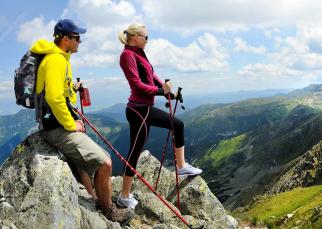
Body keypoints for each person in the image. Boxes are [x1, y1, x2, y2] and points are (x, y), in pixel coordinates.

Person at [33, 19, 133, 223]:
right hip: (58, 128)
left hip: (57, 124)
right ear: (66, 39)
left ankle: (95, 196)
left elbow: (59, 91)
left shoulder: (61, 58)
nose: (80, 41)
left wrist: (73, 88)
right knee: (105, 163)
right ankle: (108, 211)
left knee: (93, 159)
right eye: (77, 37)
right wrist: (71, 125)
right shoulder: (56, 60)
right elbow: (53, 97)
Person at [117, 23, 202, 209]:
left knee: (177, 125)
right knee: (134, 151)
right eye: (145, 37)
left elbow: (152, 76)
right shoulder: (127, 55)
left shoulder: (139, 53)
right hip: (138, 110)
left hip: (145, 109)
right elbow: (137, 85)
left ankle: (181, 167)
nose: (148, 40)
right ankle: (124, 196)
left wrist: (169, 93)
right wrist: (160, 90)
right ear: (135, 37)